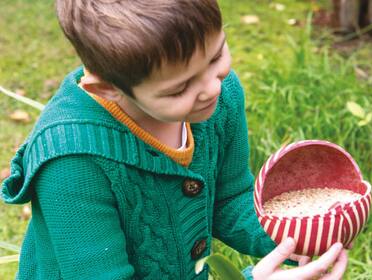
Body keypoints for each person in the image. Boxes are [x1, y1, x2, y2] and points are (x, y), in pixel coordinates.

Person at [1, 0, 348, 279]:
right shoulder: (71, 164)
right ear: (108, 89)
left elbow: (229, 198)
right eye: (180, 88)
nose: (212, 87)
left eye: (216, 57)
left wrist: (303, 235)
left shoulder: (220, 97)